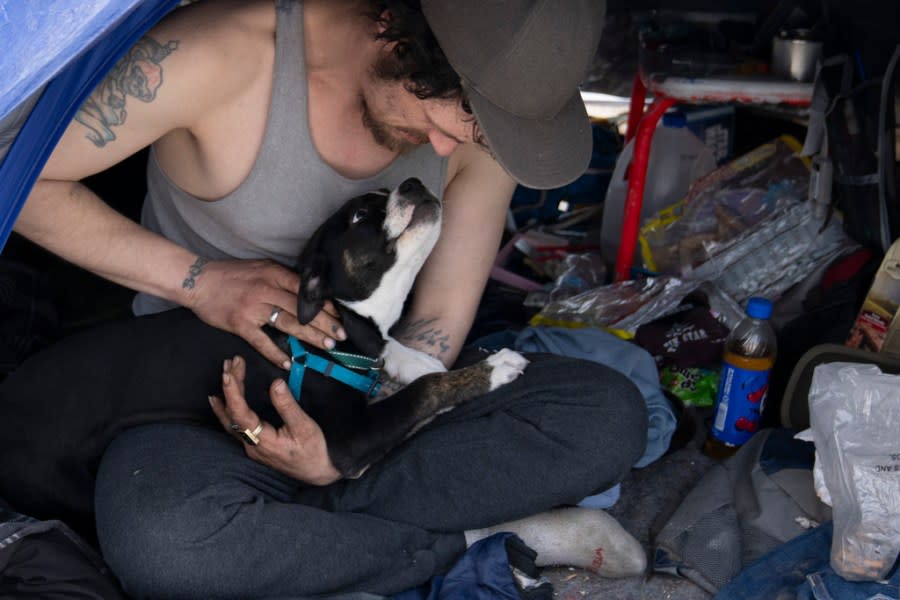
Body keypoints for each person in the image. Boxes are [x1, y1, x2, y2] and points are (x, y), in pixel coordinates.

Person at [13, 0, 652, 596]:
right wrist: (201, 279)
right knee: (164, 547)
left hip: (367, 400)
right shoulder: (223, 52)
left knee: (607, 413)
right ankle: (479, 536)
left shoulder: (480, 133)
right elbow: (19, 174)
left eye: (474, 134)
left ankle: (313, 541)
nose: (443, 151)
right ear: (395, 35)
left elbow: (434, 325)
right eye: (444, 120)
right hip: (205, 414)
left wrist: (345, 452)